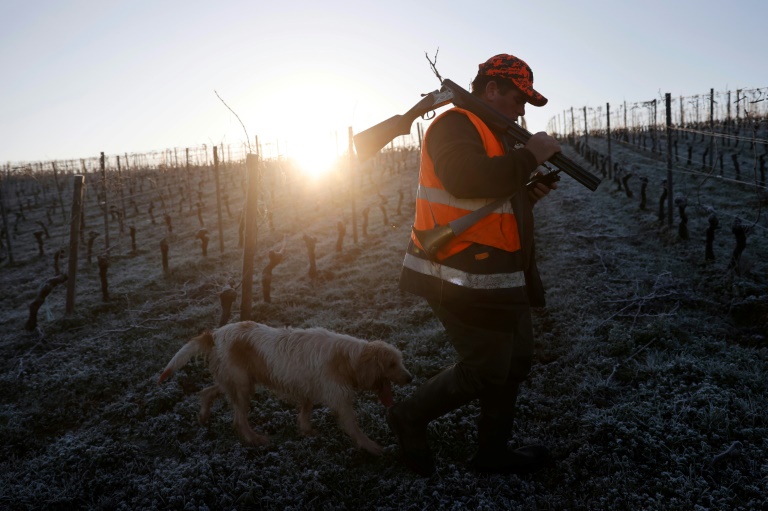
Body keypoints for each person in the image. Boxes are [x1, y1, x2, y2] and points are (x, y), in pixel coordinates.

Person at [387, 53, 561, 476]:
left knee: (516, 361)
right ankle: (408, 416)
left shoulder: (492, 132)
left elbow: (486, 201)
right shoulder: (454, 124)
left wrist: (526, 194)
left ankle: (492, 453)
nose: (521, 111)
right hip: (456, 273)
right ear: (492, 89)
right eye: (518, 99)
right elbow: (465, 179)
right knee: (485, 369)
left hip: (499, 273)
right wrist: (529, 157)